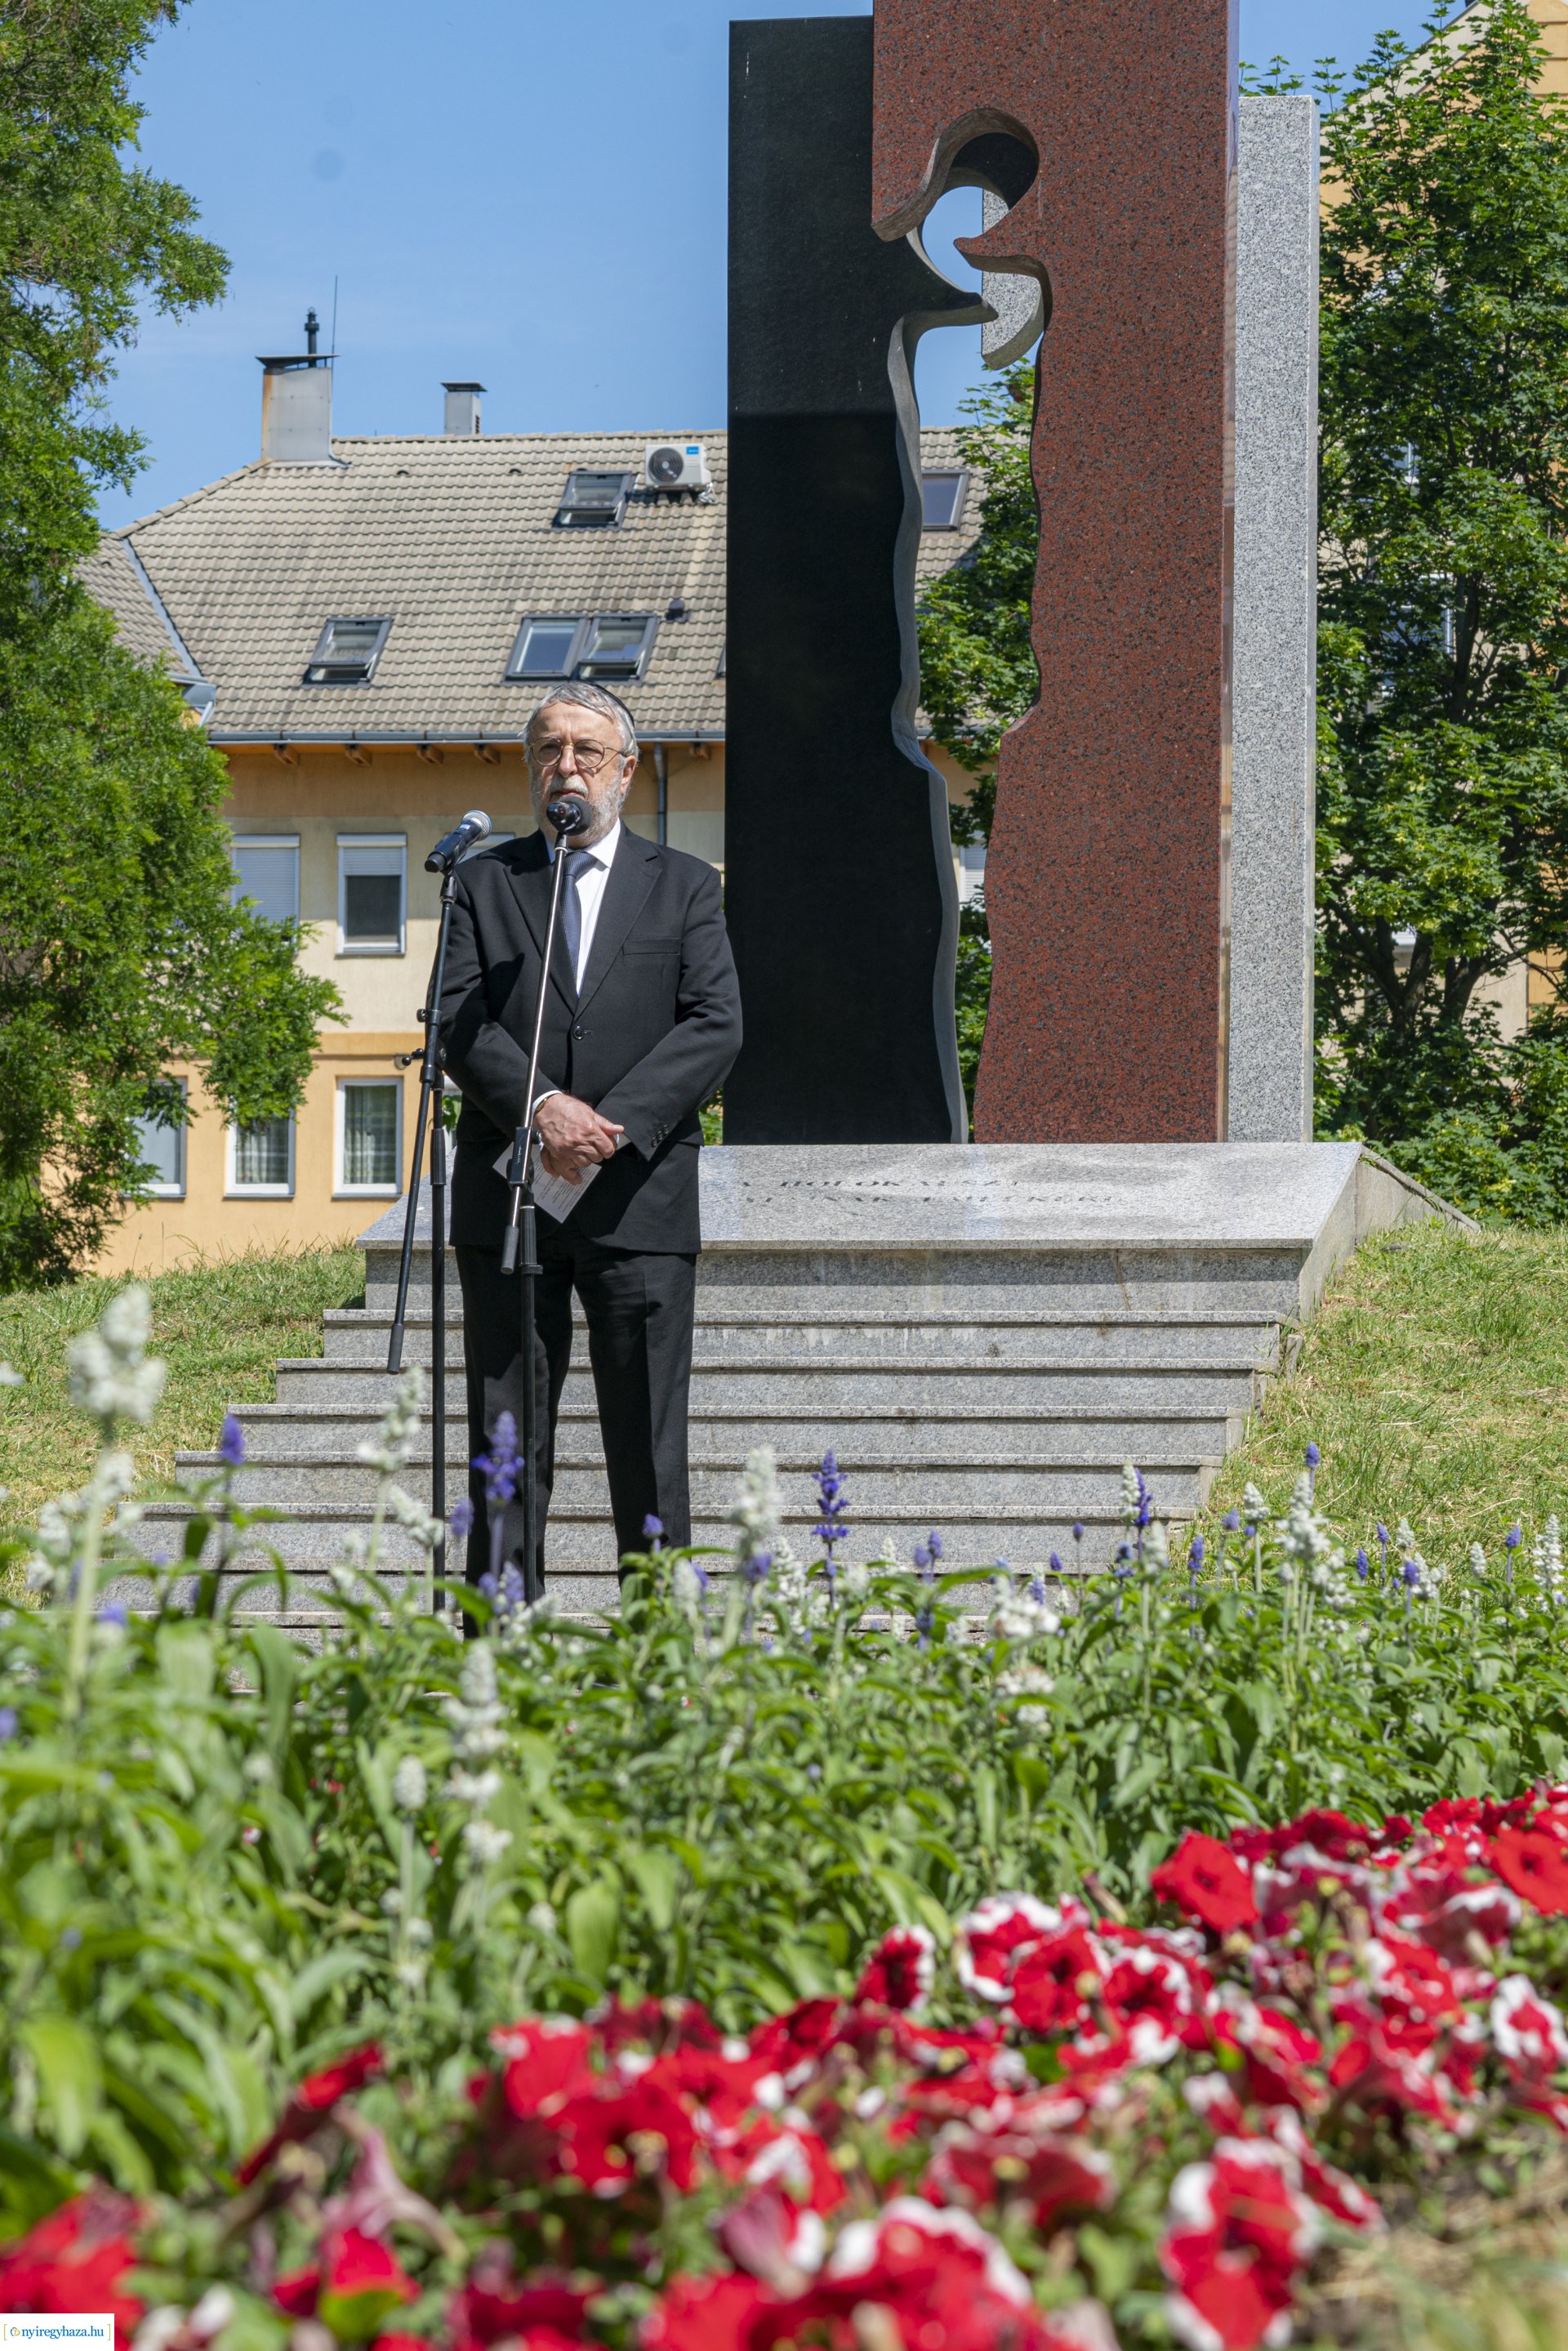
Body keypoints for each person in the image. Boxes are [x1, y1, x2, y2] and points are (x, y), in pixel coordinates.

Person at [439, 680, 742, 1595]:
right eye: (546, 750)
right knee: (506, 1440)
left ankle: (655, 1662)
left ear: (624, 768)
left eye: (583, 751)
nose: (563, 767)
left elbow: (714, 1023)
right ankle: (498, 1651)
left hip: (637, 1201)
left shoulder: (684, 885)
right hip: (511, 1199)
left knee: (646, 1442)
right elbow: (458, 1022)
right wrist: (542, 1110)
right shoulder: (485, 881)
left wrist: (604, 1128)